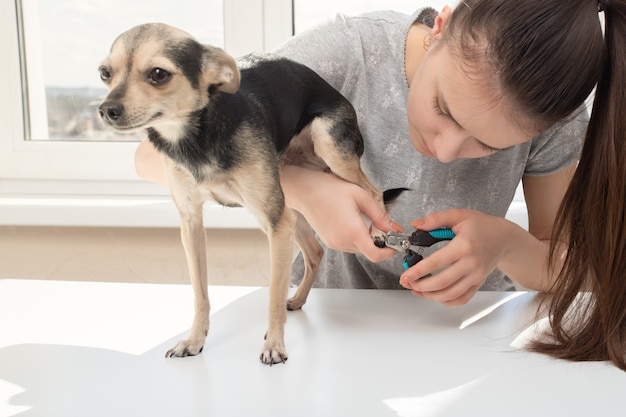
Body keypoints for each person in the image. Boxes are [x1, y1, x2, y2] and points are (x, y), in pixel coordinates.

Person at [135, 1, 626, 370]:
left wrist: (505, 244)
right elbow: (150, 157)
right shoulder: (346, 54)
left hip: (469, 350)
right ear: (442, 28)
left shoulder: (557, 122)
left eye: (488, 145)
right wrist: (299, 186)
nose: (448, 149)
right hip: (324, 346)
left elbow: (565, 266)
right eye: (444, 109)